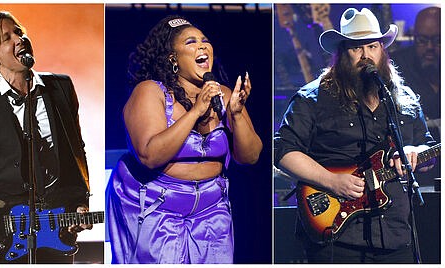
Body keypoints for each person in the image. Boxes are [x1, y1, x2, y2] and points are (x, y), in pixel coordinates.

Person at [274, 7, 437, 263]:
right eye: (356, 48)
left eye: (372, 46)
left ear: (382, 50)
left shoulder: (404, 99)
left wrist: (413, 152)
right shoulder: (313, 98)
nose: (365, 56)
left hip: (396, 236)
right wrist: (331, 181)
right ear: (341, 53)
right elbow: (282, 150)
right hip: (338, 239)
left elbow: (428, 152)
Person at [105, 15, 262, 264]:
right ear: (173, 59)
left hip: (212, 212)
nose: (202, 46)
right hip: (156, 211)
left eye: (205, 41)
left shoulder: (224, 95)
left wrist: (237, 113)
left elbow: (250, 156)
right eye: (191, 42)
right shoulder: (150, 92)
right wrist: (195, 112)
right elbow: (149, 155)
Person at [0, 11, 92, 264]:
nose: (19, 39)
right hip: (1, 231)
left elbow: (77, 152)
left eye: (19, 32)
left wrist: (79, 202)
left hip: (55, 231)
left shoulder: (60, 87)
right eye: (7, 37)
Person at [390, 6, 441, 185]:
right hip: (412, 174)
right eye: (422, 40)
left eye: (437, 41)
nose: (429, 48)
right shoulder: (395, 67)